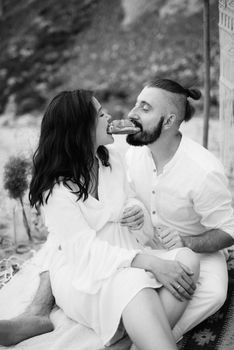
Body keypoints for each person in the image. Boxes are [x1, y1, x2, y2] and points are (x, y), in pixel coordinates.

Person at [0, 89, 200, 350]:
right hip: (82, 273)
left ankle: (128, 341)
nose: (110, 117)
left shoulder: (111, 158)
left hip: (126, 250)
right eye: (101, 113)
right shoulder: (56, 191)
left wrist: (135, 209)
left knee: (187, 260)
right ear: (80, 128)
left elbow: (128, 197)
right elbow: (85, 253)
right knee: (134, 282)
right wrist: (149, 262)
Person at [125, 78, 234, 342]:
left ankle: (147, 338)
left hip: (197, 251)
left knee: (215, 293)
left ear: (169, 121)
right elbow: (126, 195)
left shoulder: (204, 170)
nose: (132, 113)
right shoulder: (130, 152)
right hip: (142, 246)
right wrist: (133, 208)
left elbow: (229, 231)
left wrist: (186, 241)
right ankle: (152, 337)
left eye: (145, 107)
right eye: (136, 104)